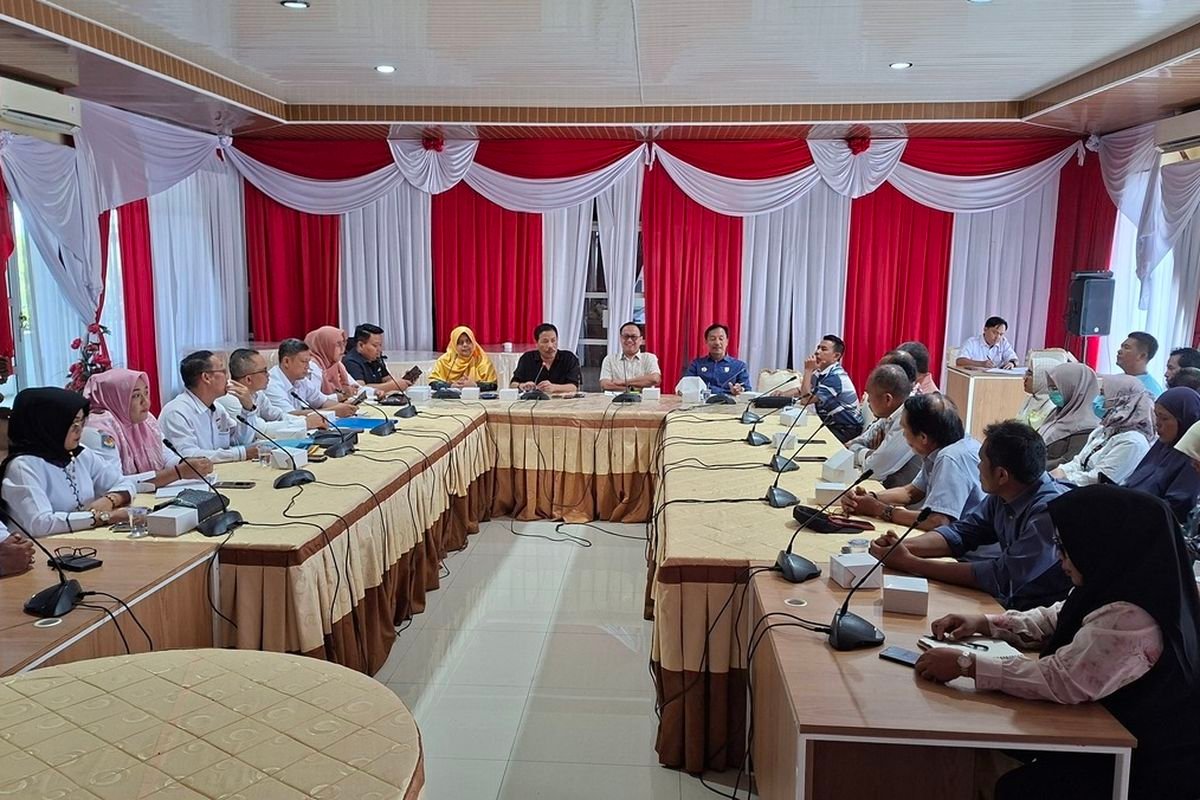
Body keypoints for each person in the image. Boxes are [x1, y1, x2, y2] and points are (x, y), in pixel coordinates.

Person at [915, 485, 1200, 800]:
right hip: (1105, 733)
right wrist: (984, 622)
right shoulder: (1118, 582)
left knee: (1016, 788)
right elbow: (1055, 618)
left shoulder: (1135, 617)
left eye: (1065, 546)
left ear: (1101, 544)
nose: (1059, 556)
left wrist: (965, 665)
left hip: (1144, 765)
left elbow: (1061, 680)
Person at [869, 420, 1070, 611]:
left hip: (1037, 614)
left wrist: (912, 563)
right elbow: (963, 533)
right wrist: (902, 547)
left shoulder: (1049, 512)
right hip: (1008, 601)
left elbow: (1001, 577)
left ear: (1002, 475)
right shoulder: (1005, 493)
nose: (978, 466)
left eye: (982, 460)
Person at [0, 388, 136, 536]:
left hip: (86, 539)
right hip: (47, 550)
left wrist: (111, 499)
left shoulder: (79, 453)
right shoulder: (23, 466)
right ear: (49, 425)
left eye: (81, 422)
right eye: (72, 423)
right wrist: (103, 517)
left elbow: (124, 482)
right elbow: (41, 523)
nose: (79, 430)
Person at [844, 393, 982, 530]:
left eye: (905, 429)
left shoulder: (951, 458)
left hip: (971, 550)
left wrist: (880, 509)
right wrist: (871, 498)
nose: (903, 435)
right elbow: (912, 492)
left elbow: (937, 521)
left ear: (923, 437)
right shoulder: (946, 445)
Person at [81, 368, 213, 489]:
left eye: (146, 392)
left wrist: (188, 463)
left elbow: (166, 456)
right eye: (136, 396)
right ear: (115, 398)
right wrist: (178, 473)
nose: (146, 402)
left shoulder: (145, 420)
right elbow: (114, 483)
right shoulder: (98, 430)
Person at [1052, 374, 1154, 486]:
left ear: (1121, 401)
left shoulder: (1133, 442)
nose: (1097, 399)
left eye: (1102, 394)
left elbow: (1099, 479)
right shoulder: (1104, 430)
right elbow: (1079, 462)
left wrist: (1063, 478)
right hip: (1077, 489)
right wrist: (1060, 472)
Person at [159, 351, 260, 463]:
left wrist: (247, 408)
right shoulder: (176, 412)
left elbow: (240, 442)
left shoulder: (218, 409)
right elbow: (189, 456)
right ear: (206, 377)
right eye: (223, 371)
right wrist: (240, 453)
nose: (228, 377)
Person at [1123, 387, 1200, 525]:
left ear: (1184, 420)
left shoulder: (1193, 458)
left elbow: (1176, 507)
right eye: (1156, 415)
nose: (1157, 423)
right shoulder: (1161, 447)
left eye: (1164, 418)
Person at [772, 335, 863, 443]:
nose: (817, 352)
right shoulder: (822, 372)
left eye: (823, 349)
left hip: (846, 428)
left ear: (836, 356)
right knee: (793, 432)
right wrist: (783, 394)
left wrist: (808, 370)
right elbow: (802, 390)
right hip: (831, 423)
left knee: (803, 441)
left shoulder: (835, 377)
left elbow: (806, 400)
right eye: (818, 348)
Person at [844, 364, 920, 488]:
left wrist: (862, 452)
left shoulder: (909, 417)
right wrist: (871, 452)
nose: (867, 401)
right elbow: (863, 439)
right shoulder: (891, 412)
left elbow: (873, 470)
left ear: (887, 399)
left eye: (870, 396)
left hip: (911, 499)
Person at [218, 348, 320, 436]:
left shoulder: (257, 393)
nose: (268, 374)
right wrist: (305, 423)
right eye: (264, 371)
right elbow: (261, 430)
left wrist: (304, 420)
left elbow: (277, 415)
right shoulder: (231, 398)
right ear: (249, 379)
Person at [266, 339, 357, 417]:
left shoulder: (301, 380)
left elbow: (322, 401)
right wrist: (334, 411)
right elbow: (289, 415)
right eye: (304, 362)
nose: (308, 366)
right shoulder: (271, 384)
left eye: (308, 362)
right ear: (286, 361)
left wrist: (343, 407)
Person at [1039, 362, 1099, 470]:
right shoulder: (1057, 413)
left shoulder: (1086, 427)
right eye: (1050, 388)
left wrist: (1030, 468)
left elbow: (1069, 462)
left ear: (1074, 388)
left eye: (1055, 388)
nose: (1051, 393)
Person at [342, 323, 412, 395]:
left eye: (380, 345)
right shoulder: (351, 362)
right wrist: (392, 386)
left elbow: (388, 380)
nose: (379, 349)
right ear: (361, 345)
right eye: (375, 345)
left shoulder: (376, 358)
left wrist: (403, 382)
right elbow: (360, 389)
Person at [682, 323, 751, 396]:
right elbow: (687, 386)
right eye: (712, 339)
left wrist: (739, 390)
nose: (717, 343)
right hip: (702, 403)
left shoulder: (740, 367)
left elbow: (747, 390)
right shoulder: (696, 364)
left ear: (727, 341)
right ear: (706, 341)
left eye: (721, 339)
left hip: (728, 404)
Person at [511, 323, 582, 394]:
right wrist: (522, 386)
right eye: (545, 341)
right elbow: (512, 385)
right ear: (536, 343)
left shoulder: (569, 358)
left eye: (553, 340)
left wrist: (554, 387)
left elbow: (573, 387)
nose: (550, 345)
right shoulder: (527, 358)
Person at [1016, 351, 1071, 431]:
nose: (1024, 378)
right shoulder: (1030, 400)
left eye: (1030, 374)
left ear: (1042, 378)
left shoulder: (1052, 407)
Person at [599, 322, 661, 392]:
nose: (629, 340)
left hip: (645, 401)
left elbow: (655, 379)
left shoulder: (649, 358)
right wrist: (632, 389)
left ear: (641, 340)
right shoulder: (610, 359)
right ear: (620, 338)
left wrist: (623, 382)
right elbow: (605, 384)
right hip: (617, 401)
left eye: (633, 337)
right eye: (626, 336)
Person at [430, 325, 499, 387]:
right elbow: (432, 383)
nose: (465, 345)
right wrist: (451, 385)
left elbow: (493, 385)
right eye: (460, 342)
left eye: (468, 341)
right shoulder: (444, 361)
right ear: (454, 345)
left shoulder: (481, 360)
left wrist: (475, 385)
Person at [304, 326, 359, 398]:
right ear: (325, 345)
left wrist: (375, 392)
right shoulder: (312, 366)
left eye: (343, 343)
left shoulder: (337, 364)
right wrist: (341, 396)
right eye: (338, 344)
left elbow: (356, 387)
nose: (343, 349)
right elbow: (314, 399)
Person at [1117, 331, 1164, 397]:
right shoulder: (1116, 379)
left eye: (1126, 348)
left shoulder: (1150, 390)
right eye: (1121, 347)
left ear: (1142, 356)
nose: (1119, 351)